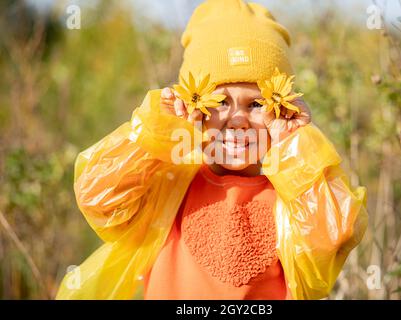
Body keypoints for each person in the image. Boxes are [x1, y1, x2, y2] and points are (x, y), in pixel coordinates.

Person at [56, 0, 368, 300]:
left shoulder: (289, 198)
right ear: (193, 103)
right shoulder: (168, 186)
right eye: (219, 102)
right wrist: (159, 128)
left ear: (281, 107)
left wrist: (296, 143)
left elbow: (333, 236)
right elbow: (99, 196)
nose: (237, 120)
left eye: (257, 104)